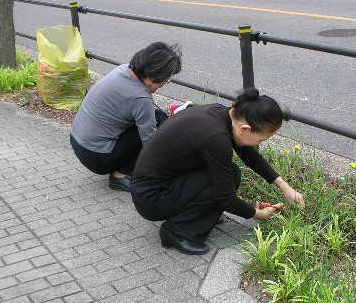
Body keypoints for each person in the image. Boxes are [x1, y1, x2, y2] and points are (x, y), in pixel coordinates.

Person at [130, 88, 305, 255]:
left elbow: (249, 155)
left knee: (230, 174)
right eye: (262, 139)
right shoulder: (216, 138)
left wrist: (285, 187)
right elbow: (226, 198)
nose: (261, 142)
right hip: (151, 198)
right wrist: (257, 214)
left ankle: (200, 217)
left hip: (160, 184)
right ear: (245, 129)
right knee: (228, 178)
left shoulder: (223, 114)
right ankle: (178, 232)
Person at [70, 42, 181, 192]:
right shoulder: (140, 98)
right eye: (163, 82)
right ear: (152, 77)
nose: (162, 86)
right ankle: (120, 175)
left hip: (79, 141)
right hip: (97, 157)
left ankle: (121, 166)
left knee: (158, 117)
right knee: (157, 133)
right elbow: (151, 144)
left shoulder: (123, 69)